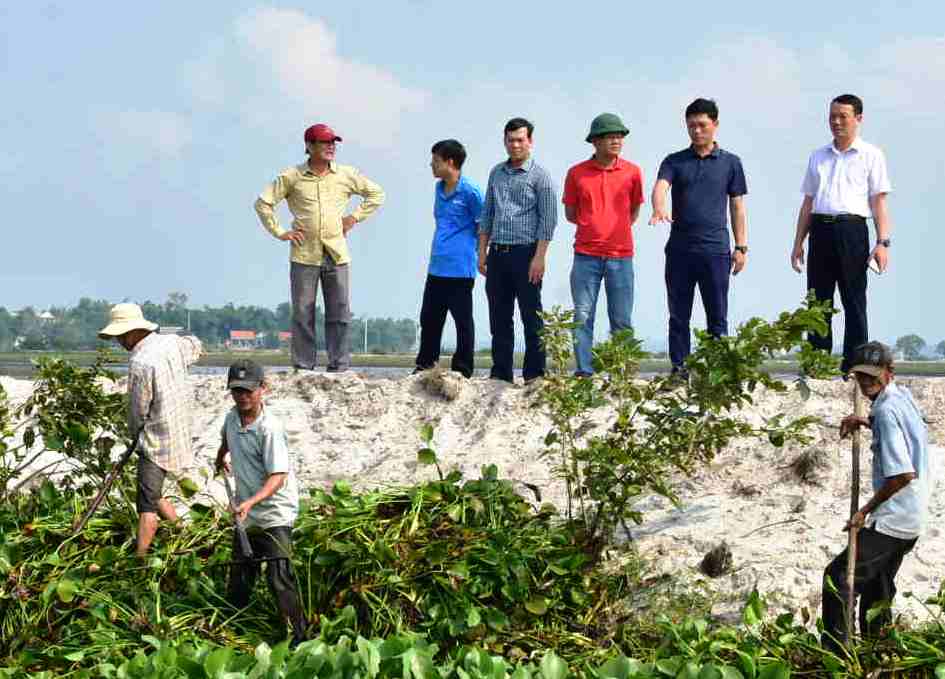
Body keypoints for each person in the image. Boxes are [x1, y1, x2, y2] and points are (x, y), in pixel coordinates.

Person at [822, 341, 929, 650]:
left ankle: (837, 654)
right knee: (877, 589)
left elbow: (903, 474)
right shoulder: (902, 397)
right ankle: (878, 649)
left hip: (894, 519)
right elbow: (904, 433)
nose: (866, 383)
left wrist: (864, 511)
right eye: (861, 377)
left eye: (872, 376)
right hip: (914, 516)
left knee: (839, 579)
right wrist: (864, 421)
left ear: (888, 373)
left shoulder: (885, 409)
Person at [255, 123, 386, 373]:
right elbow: (263, 203)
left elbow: (376, 194)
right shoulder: (291, 176)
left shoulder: (346, 174)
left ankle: (339, 365)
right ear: (309, 146)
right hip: (304, 254)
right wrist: (281, 232)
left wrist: (354, 217)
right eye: (324, 143)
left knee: (339, 312)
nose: (330, 147)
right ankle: (304, 366)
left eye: (333, 143)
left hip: (336, 253)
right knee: (303, 312)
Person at [790, 94, 892, 374]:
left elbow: (879, 203)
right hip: (820, 230)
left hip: (853, 230)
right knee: (818, 301)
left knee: (854, 300)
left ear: (858, 118)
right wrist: (798, 242)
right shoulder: (818, 156)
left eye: (843, 116)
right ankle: (818, 364)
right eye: (832, 116)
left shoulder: (871, 155)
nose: (836, 122)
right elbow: (808, 203)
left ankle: (855, 365)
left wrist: (882, 242)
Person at [650, 98, 748, 380]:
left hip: (716, 250)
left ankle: (716, 372)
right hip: (680, 250)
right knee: (678, 314)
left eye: (702, 125)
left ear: (715, 125)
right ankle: (679, 368)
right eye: (691, 125)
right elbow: (661, 186)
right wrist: (659, 207)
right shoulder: (674, 161)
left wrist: (741, 247)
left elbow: (737, 207)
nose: (697, 131)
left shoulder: (731, 163)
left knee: (717, 315)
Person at [97, 303, 203, 558]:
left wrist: (135, 438)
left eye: (122, 335)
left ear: (134, 331)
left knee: (146, 504)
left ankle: (141, 558)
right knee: (152, 491)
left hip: (157, 438)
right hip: (180, 428)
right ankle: (184, 534)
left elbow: (138, 411)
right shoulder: (171, 343)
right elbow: (196, 346)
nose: (120, 341)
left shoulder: (140, 362)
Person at [215, 359, 306, 647]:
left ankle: (298, 639)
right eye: (236, 391)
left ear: (262, 389)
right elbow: (226, 440)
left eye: (248, 391)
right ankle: (232, 629)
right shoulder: (231, 418)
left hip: (274, 512)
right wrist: (221, 457)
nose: (242, 397)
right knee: (240, 574)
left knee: (279, 576)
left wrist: (251, 502)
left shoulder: (269, 428)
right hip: (248, 511)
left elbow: (278, 476)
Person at [563, 113, 644, 377]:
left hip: (621, 256)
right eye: (610, 136)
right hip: (586, 255)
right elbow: (571, 214)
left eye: (620, 135)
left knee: (621, 318)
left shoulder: (633, 172)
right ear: (595, 141)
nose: (617, 140)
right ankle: (584, 372)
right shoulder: (576, 173)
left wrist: (614, 229)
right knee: (582, 317)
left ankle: (621, 374)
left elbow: (633, 212)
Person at [478, 117, 558, 383]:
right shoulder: (496, 173)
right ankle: (501, 372)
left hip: (527, 254)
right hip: (498, 253)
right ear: (504, 141)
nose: (515, 145)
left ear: (530, 142)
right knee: (499, 317)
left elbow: (549, 220)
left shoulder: (540, 176)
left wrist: (540, 257)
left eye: (520, 140)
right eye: (510, 140)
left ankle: (535, 374)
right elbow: (487, 213)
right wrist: (482, 252)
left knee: (531, 317)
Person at [414, 139, 483, 378]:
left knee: (463, 321)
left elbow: (484, 225)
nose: (431, 165)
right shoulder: (438, 188)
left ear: (450, 162)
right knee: (430, 318)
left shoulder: (471, 191)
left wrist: (477, 252)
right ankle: (425, 365)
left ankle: (463, 369)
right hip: (437, 266)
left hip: (461, 268)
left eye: (435, 161)